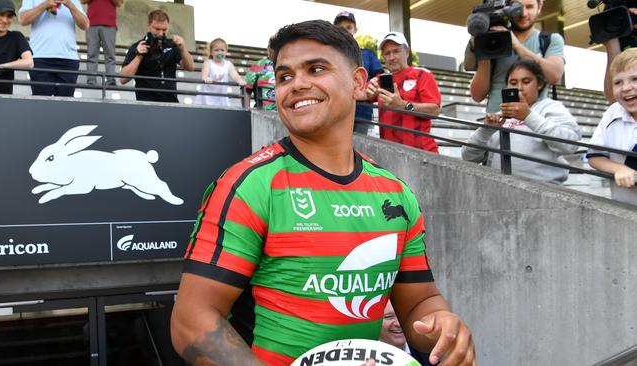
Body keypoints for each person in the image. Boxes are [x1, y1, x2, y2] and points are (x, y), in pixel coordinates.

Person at [170, 19, 475, 366]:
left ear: (358, 82)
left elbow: (420, 304)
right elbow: (191, 321)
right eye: (284, 76)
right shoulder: (247, 185)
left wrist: (444, 325)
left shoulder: (395, 194)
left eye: (316, 69)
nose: (297, 84)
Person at [461, 58, 581, 183]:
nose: (519, 88)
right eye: (513, 83)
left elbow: (570, 144)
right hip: (497, 189)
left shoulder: (550, 107)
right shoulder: (499, 116)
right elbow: (468, 157)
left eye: (526, 81)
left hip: (541, 191)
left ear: (539, 84)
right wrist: (485, 131)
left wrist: (528, 116)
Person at [465, 0, 565, 114]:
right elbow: (477, 96)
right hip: (497, 124)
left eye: (529, 7)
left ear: (540, 6)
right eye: (517, 8)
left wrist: (516, 44)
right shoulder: (493, 39)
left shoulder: (550, 40)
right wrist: (484, 48)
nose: (523, 13)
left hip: (533, 124)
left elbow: (554, 76)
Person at [366, 32, 441, 153]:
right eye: (387, 53)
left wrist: (403, 105)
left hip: (422, 154)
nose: (391, 57)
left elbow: (435, 111)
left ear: (407, 51)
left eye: (396, 51)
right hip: (390, 154)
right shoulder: (380, 80)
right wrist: (367, 93)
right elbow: (358, 94)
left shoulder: (422, 74)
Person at [588, 48, 637, 206]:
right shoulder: (613, 112)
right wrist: (619, 169)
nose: (626, 88)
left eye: (634, 79)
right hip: (623, 209)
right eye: (618, 82)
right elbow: (595, 157)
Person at [119, 9, 195, 103]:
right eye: (157, 29)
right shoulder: (137, 47)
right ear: (149, 25)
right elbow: (123, 79)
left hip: (171, 103)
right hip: (146, 104)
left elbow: (190, 67)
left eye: (164, 30)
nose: (160, 33)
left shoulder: (172, 45)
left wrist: (182, 49)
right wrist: (139, 56)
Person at [19, 0, 88, 96]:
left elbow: (85, 25)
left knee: (65, 105)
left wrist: (70, 5)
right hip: (40, 57)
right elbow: (22, 19)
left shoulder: (72, 1)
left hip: (68, 59)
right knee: (41, 105)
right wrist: (45, 4)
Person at [333, 10, 383, 134]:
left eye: (349, 27)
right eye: (340, 28)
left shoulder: (368, 54)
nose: (345, 30)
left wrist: (365, 91)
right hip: (334, 115)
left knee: (360, 151)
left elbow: (380, 78)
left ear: (356, 30)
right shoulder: (328, 56)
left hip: (362, 115)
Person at [0, 0, 33, 94]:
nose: (5, 20)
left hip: (4, 100)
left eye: (9, 16)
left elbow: (29, 62)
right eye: (1, 14)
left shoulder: (16, 37)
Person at [80, 0, 123, 86]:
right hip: (92, 23)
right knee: (92, 54)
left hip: (109, 24)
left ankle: (110, 80)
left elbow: (119, 3)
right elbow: (82, 1)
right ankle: (91, 80)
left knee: (110, 55)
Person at [380, 300, 434, 366]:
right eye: (389, 317)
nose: (399, 323)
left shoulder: (424, 350)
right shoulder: (366, 355)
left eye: (402, 315)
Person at [194, 38, 245, 106]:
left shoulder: (228, 64)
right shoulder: (208, 63)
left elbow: (234, 75)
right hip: (207, 96)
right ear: (211, 52)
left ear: (226, 52)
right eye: (216, 50)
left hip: (221, 97)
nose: (219, 52)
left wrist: (239, 80)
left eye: (222, 50)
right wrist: (206, 78)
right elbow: (204, 75)